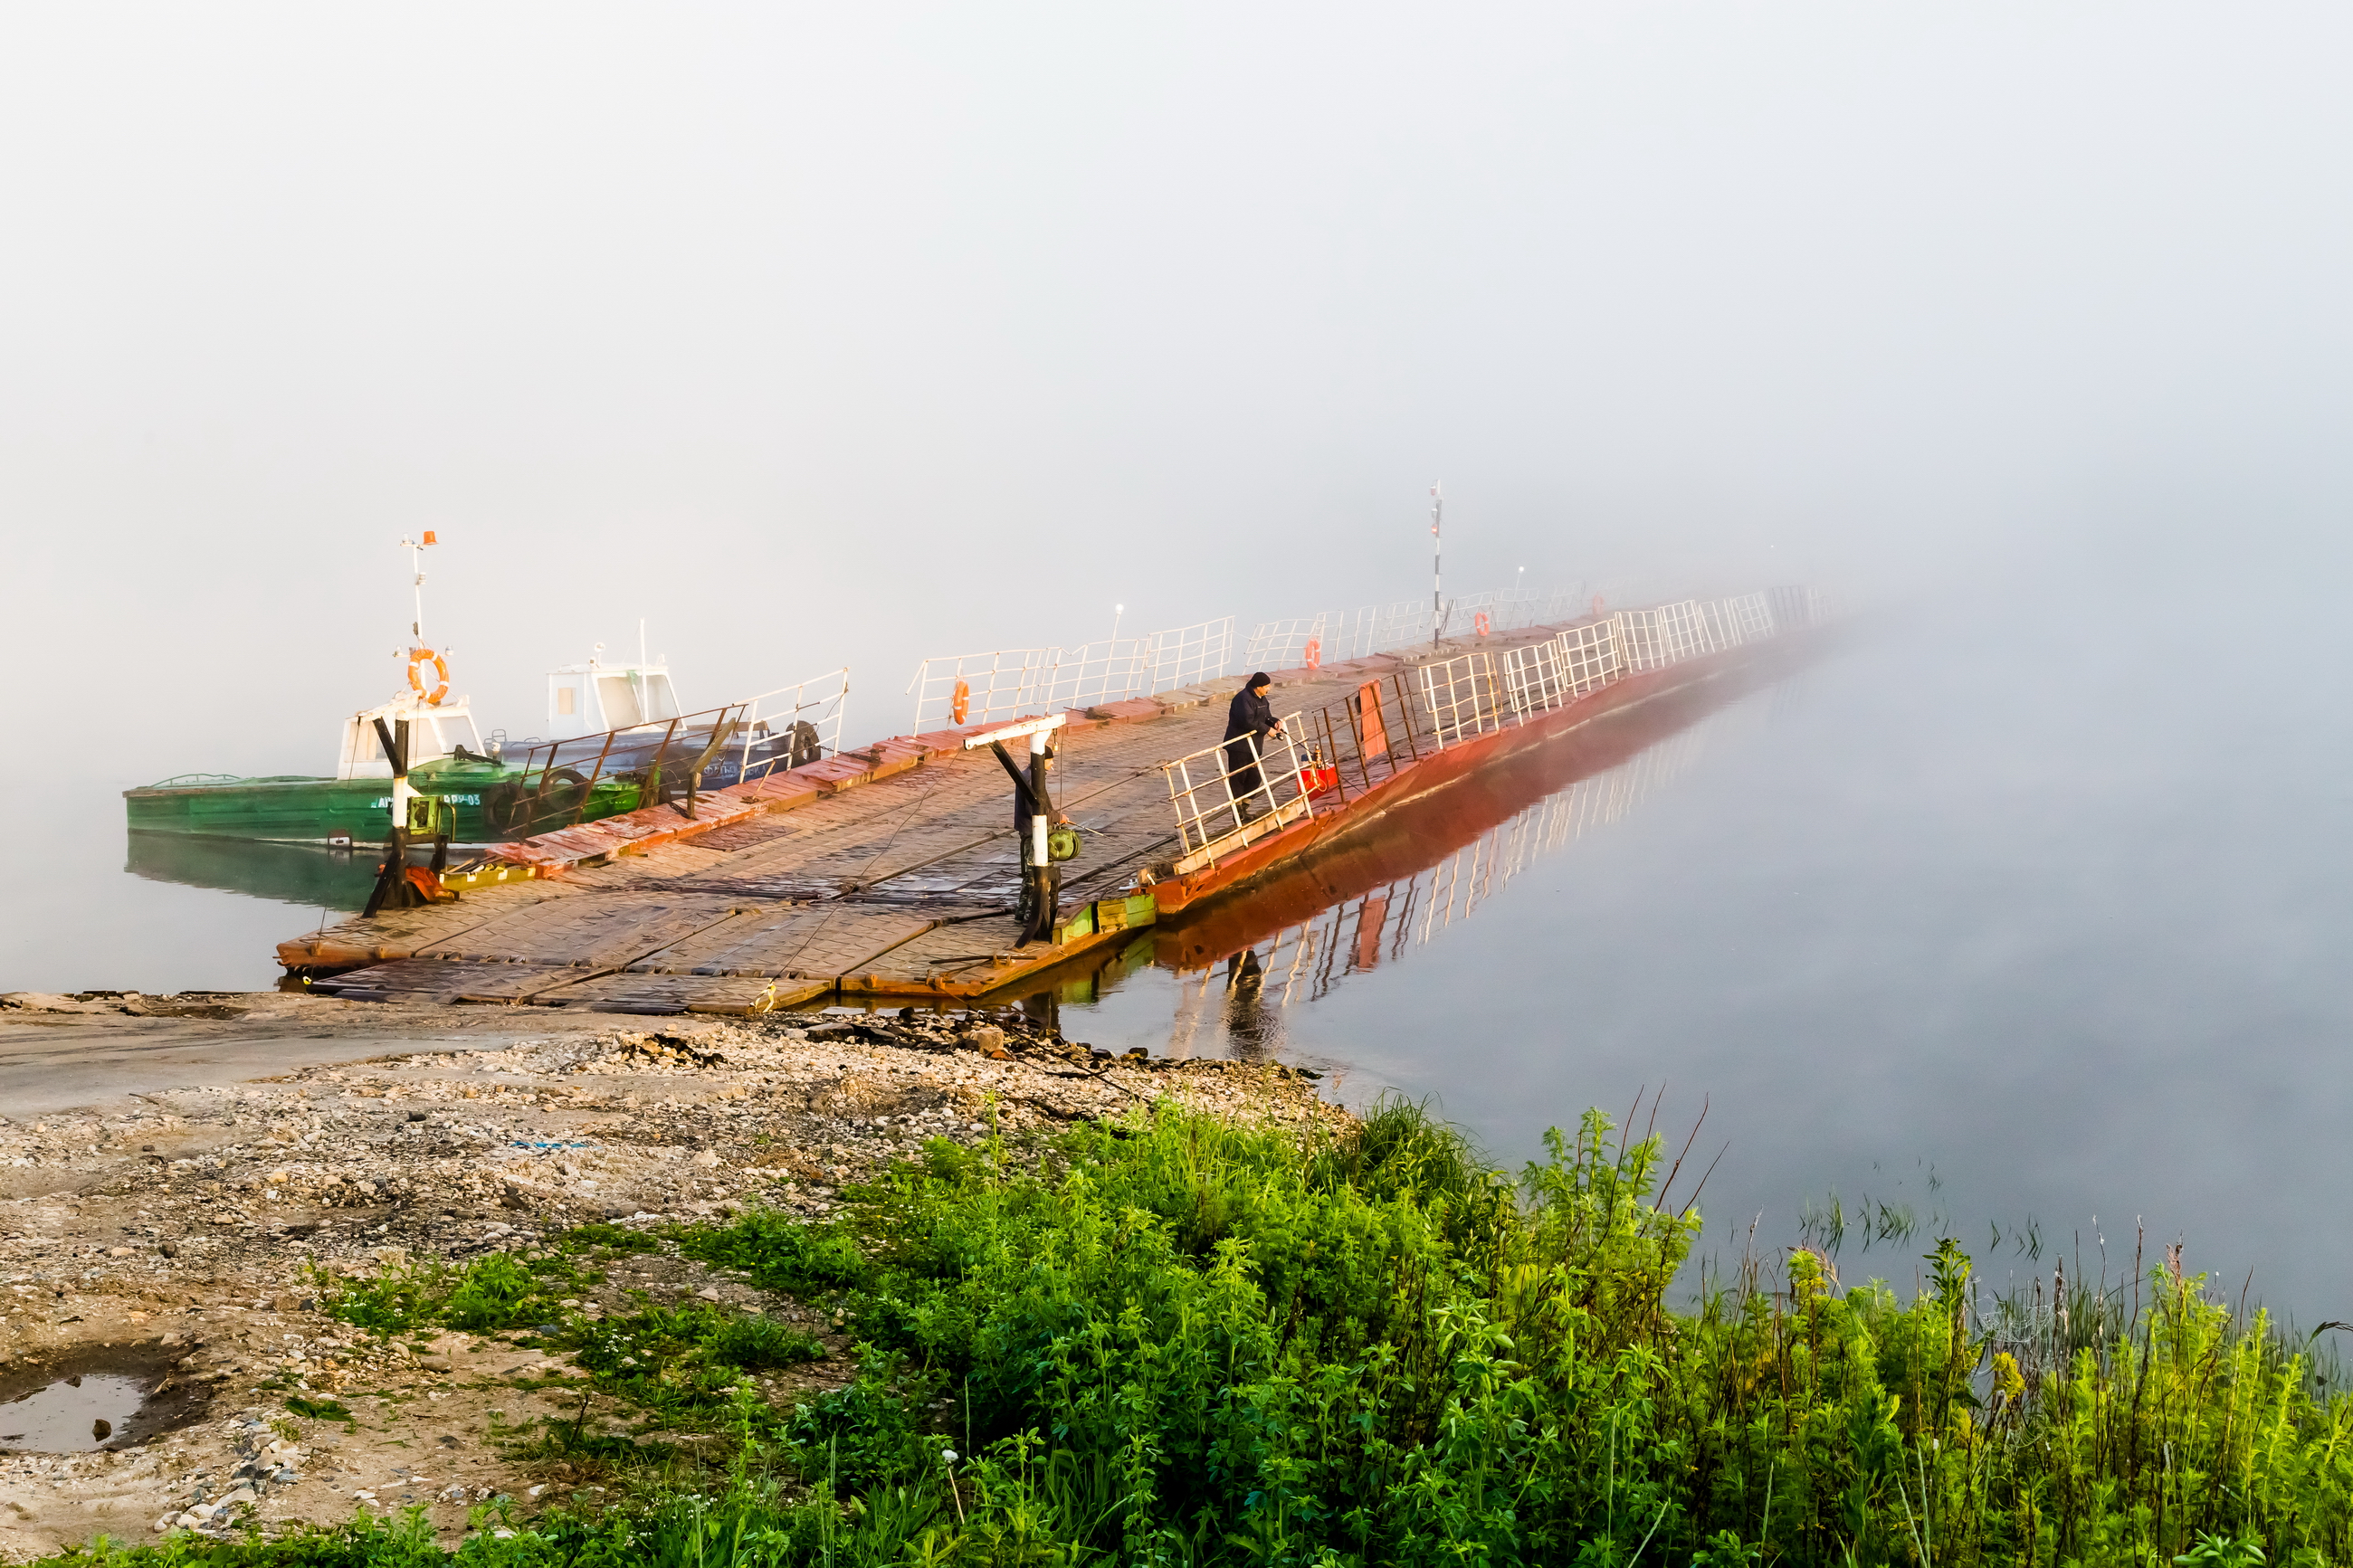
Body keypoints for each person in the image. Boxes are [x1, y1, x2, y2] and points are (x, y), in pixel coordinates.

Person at [1223, 672, 1283, 821]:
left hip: (1254, 745)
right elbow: (1247, 721)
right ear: (1258, 687)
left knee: (1255, 777)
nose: (1269, 689)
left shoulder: (1262, 698)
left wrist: (1274, 722)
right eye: (1267, 686)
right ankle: (1237, 813)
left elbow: (1266, 716)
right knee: (1239, 778)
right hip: (1238, 745)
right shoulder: (1242, 699)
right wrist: (1267, 730)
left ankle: (1244, 807)